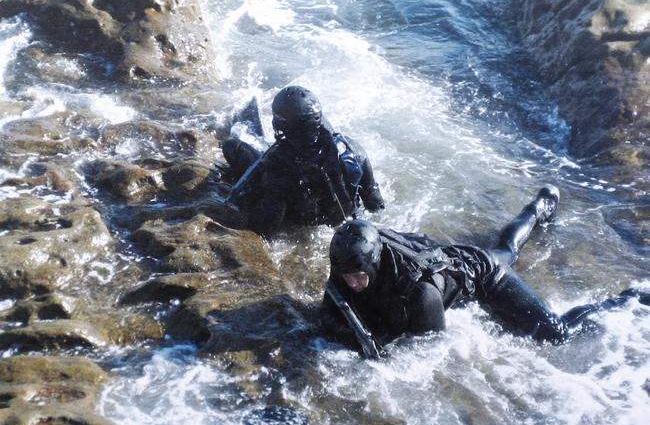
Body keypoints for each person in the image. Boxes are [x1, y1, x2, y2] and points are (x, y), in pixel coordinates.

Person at [321, 185, 650, 352]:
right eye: (346, 275)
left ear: (374, 262)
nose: (352, 282)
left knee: (556, 334)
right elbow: (331, 310)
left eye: (357, 275)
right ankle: (538, 209)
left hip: (482, 275)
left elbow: (428, 351)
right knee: (504, 248)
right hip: (446, 262)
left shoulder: (419, 294)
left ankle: (629, 298)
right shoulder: (348, 258)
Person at [222, 86, 385, 236]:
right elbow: (375, 203)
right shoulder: (353, 149)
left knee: (231, 146)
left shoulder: (279, 172)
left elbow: (264, 229)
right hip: (343, 218)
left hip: (305, 218)